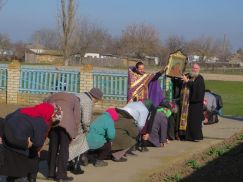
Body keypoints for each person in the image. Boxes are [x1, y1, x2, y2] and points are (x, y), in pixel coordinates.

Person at [0, 103, 63, 182]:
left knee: (11, 172)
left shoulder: (22, 110)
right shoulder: (41, 122)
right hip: (20, 149)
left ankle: (11, 178)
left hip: (6, 144)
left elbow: (7, 118)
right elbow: (38, 143)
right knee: (21, 175)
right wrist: (30, 143)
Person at [45, 92, 81, 181]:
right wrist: (74, 133)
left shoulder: (52, 97)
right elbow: (77, 117)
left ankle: (50, 174)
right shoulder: (75, 99)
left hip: (53, 123)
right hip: (67, 125)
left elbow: (44, 105)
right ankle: (61, 175)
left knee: (52, 148)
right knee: (64, 150)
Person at [68, 88, 103, 173]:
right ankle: (76, 166)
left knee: (68, 144)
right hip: (76, 125)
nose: (96, 102)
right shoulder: (88, 101)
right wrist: (87, 130)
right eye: (97, 100)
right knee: (81, 144)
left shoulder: (78, 95)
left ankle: (67, 163)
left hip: (66, 122)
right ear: (96, 98)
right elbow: (85, 120)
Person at [180, 63, 205, 141]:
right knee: (189, 121)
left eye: (196, 68)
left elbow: (197, 89)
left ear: (199, 69)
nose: (194, 70)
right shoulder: (190, 76)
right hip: (188, 103)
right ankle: (188, 136)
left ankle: (196, 137)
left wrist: (187, 81)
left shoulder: (200, 78)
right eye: (193, 68)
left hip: (196, 103)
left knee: (195, 122)